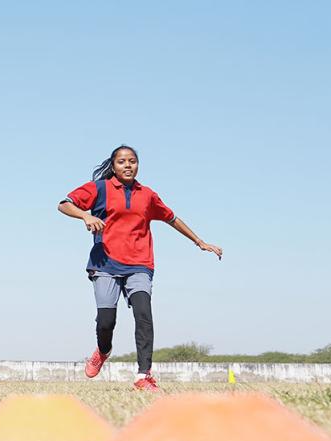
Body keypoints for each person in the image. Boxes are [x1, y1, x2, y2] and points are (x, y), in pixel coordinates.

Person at [58, 145, 223, 391]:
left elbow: (171, 218)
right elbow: (64, 204)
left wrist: (199, 241)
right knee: (106, 322)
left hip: (139, 264)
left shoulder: (147, 195)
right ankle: (103, 351)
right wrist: (85, 216)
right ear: (113, 166)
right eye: (122, 161)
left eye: (132, 161)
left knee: (143, 314)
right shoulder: (100, 188)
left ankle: (143, 375)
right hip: (105, 264)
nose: (128, 165)